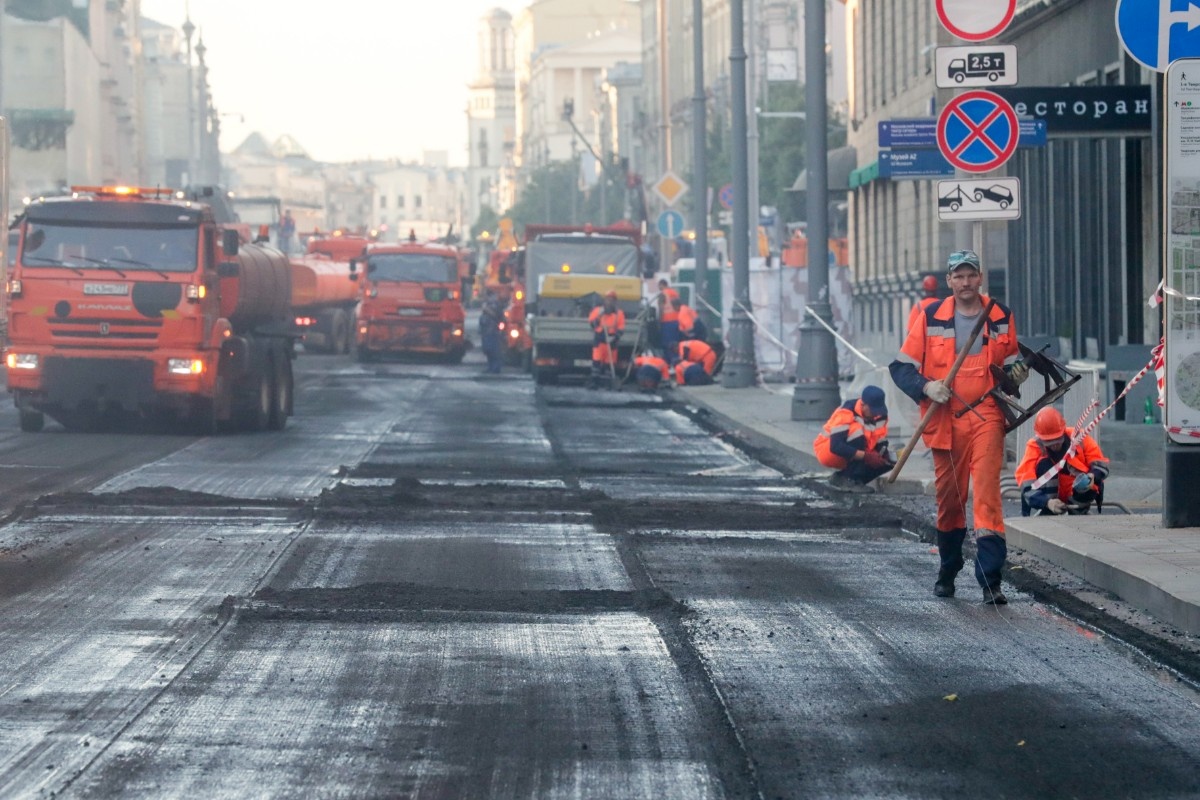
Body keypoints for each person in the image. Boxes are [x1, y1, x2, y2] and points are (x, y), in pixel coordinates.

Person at [889, 249, 1028, 604]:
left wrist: (1017, 374)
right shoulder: (930, 315)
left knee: (987, 495)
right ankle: (948, 569)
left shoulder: (999, 315)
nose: (965, 282)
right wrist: (926, 386)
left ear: (980, 278)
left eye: (971, 275)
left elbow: (1010, 367)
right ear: (950, 281)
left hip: (986, 417)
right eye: (958, 276)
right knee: (950, 501)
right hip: (944, 421)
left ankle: (990, 580)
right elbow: (901, 367)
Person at [1016, 407, 1110, 516]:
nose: (1055, 445)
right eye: (1049, 442)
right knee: (1044, 465)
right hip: (1050, 500)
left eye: (1057, 440)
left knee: (1086, 480)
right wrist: (1047, 502)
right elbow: (1026, 482)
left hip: (1080, 492)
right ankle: (1050, 511)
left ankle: (1078, 511)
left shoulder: (1080, 438)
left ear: (1063, 431)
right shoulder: (1034, 446)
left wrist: (1093, 475)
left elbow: (1101, 464)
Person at [813, 385, 893, 492]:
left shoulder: (880, 415)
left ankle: (854, 480)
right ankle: (845, 479)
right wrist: (866, 456)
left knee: (890, 461)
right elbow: (836, 446)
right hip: (827, 451)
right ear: (863, 404)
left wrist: (883, 453)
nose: (875, 414)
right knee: (857, 433)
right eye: (873, 410)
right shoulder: (846, 412)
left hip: (857, 450)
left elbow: (879, 438)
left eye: (878, 410)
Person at [587, 290, 625, 389]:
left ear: (615, 302)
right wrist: (599, 316)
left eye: (612, 300)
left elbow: (621, 329)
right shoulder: (597, 311)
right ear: (604, 300)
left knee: (610, 365)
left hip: (612, 342)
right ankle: (594, 383)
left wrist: (614, 337)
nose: (609, 302)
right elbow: (592, 325)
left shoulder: (619, 314)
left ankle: (609, 385)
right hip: (599, 341)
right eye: (608, 299)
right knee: (596, 363)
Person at [479, 292, 504, 374]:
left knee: (494, 351)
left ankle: (496, 368)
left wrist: (486, 309)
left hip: (493, 331)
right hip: (486, 331)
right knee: (488, 350)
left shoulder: (496, 305)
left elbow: (498, 316)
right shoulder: (486, 304)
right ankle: (490, 367)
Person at [657, 279, 682, 359]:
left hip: (667, 322)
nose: (659, 288)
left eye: (659, 286)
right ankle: (677, 360)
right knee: (675, 344)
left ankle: (669, 363)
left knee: (667, 344)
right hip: (677, 321)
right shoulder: (675, 293)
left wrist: (659, 321)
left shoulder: (663, 294)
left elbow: (661, 308)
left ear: (662, 285)